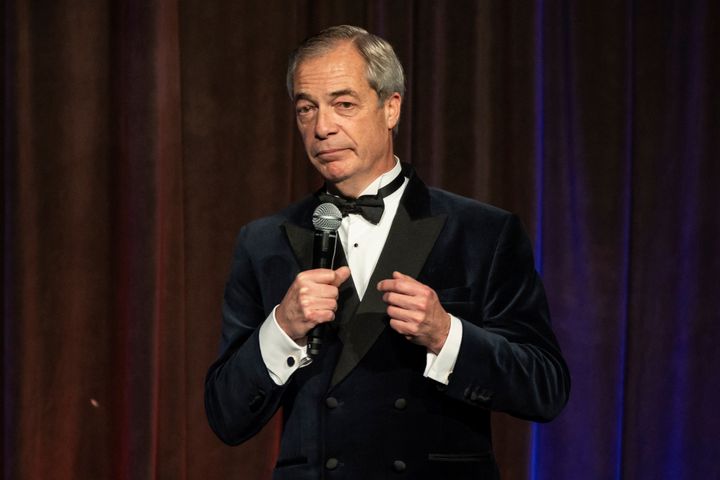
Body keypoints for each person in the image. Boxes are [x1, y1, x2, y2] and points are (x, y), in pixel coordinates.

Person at [205, 25, 570, 480]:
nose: (322, 127)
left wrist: (446, 334)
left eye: (344, 104)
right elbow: (226, 415)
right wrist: (282, 328)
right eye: (306, 109)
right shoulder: (263, 243)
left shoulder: (483, 232)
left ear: (391, 107)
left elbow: (545, 387)